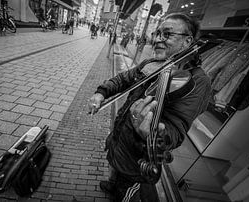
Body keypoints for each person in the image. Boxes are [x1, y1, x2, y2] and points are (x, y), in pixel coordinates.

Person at [88, 13, 211, 201]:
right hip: (122, 137)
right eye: (157, 33)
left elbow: (176, 131)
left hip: (139, 157)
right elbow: (123, 79)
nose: (157, 40)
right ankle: (112, 185)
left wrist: (155, 133)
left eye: (167, 35)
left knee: (126, 190)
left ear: (187, 42)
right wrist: (102, 92)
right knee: (115, 168)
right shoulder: (152, 63)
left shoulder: (198, 81)